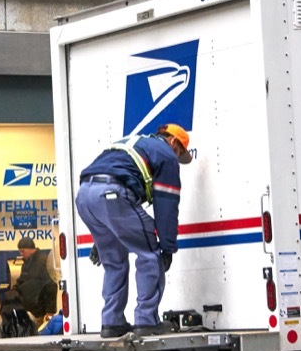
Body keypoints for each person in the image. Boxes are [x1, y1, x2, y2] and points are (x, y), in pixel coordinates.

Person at [74, 123, 192, 339]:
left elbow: (103, 184)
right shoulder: (166, 154)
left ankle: (112, 322)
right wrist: (167, 248)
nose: (177, 158)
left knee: (114, 261)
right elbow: (166, 205)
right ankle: (147, 320)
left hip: (84, 196)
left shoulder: (131, 143)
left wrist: (101, 239)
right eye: (180, 152)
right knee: (149, 254)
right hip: (113, 194)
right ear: (173, 141)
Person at [13, 236, 56, 320]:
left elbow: (51, 286)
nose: (21, 254)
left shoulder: (43, 262)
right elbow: (22, 281)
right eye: (20, 251)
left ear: (31, 249)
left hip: (40, 311)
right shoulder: (26, 263)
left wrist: (50, 311)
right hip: (28, 310)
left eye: (23, 251)